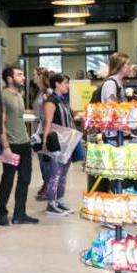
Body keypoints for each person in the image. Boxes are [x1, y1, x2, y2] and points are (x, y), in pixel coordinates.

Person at [0, 66, 39, 226]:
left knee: (25, 179)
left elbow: (18, 116)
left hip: (24, 143)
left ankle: (19, 213)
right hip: (11, 144)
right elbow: (0, 122)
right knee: (8, 178)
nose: (23, 77)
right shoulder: (3, 95)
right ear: (9, 78)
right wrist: (5, 146)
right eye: (19, 74)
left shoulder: (19, 95)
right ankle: (2, 213)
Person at [42, 73, 75, 216]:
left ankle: (59, 200)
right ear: (57, 84)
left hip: (67, 141)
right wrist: (45, 142)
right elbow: (48, 122)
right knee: (55, 173)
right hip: (56, 141)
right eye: (65, 83)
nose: (67, 86)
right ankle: (51, 204)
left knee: (63, 174)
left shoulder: (63, 101)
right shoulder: (51, 101)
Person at [32, 67, 52, 201]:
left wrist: (45, 135)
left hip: (43, 130)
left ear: (40, 76)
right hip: (37, 129)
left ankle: (49, 185)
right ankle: (46, 183)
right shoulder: (39, 92)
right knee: (41, 159)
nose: (32, 77)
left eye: (34, 75)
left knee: (46, 160)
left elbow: (47, 114)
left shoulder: (46, 93)